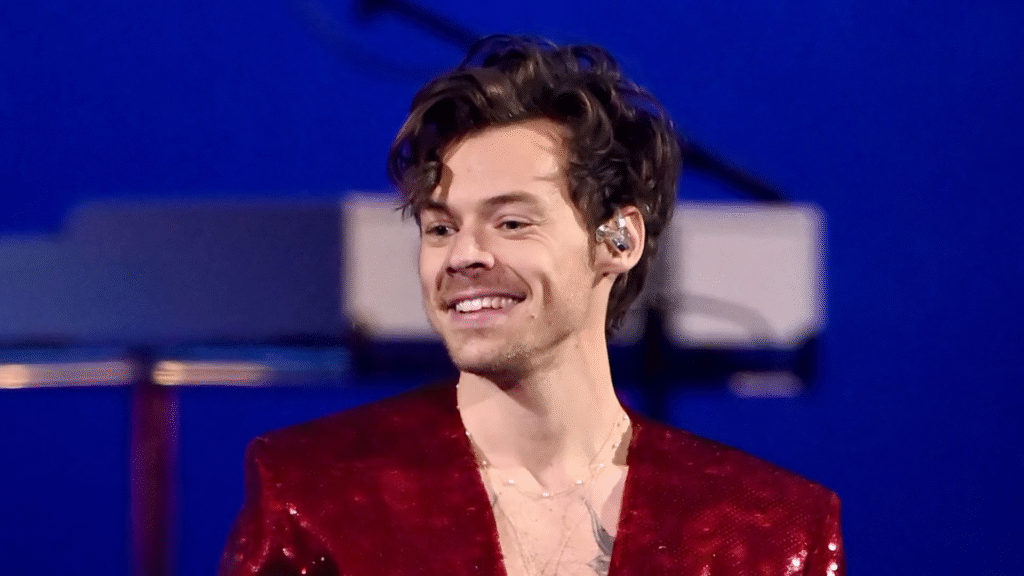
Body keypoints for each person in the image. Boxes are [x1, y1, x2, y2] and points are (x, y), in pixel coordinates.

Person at [219, 35, 845, 576]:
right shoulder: (315, 492)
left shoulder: (772, 530)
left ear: (618, 240)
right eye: (440, 228)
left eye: (512, 223)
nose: (463, 255)